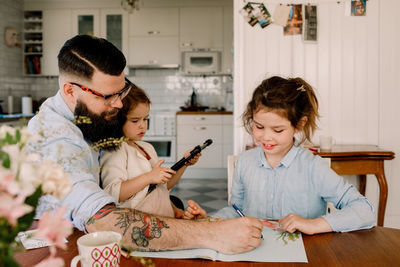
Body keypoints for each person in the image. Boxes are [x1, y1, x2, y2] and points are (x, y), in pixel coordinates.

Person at [27, 34, 263, 254]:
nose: (119, 105)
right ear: (70, 90)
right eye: (108, 96)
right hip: (57, 249)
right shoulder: (54, 140)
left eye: (121, 92)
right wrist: (213, 234)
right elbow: (102, 221)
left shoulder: (88, 117)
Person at [185, 76, 376, 234]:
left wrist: (313, 224)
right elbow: (237, 211)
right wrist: (210, 220)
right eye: (259, 127)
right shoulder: (245, 162)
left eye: (277, 130)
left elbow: (364, 210)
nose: (266, 137)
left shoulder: (312, 166)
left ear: (299, 125)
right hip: (253, 252)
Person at [100, 86, 200, 218]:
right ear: (117, 121)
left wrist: (185, 163)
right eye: (135, 120)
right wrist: (149, 177)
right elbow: (112, 193)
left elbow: (163, 187)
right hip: (139, 221)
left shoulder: (146, 148)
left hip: (161, 215)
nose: (142, 125)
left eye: (145, 119)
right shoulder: (115, 150)